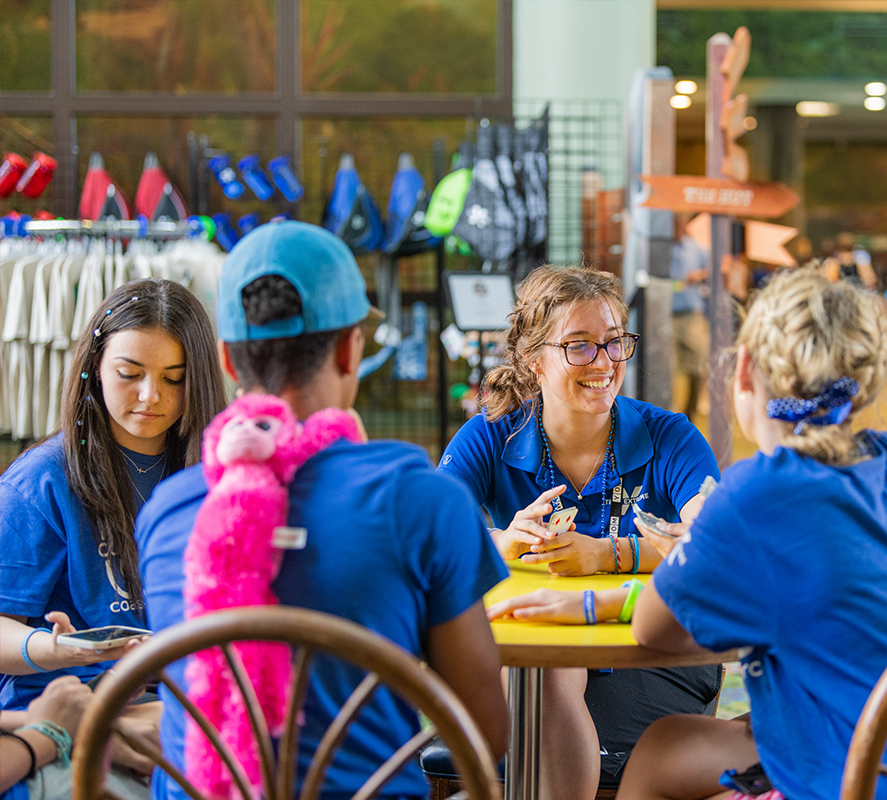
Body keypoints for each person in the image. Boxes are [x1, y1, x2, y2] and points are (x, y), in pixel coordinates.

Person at [490, 270, 887, 800]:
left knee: (660, 756)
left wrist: (615, 590)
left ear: (743, 371)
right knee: (672, 743)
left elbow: (655, 628)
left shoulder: (755, 491)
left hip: (865, 776)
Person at [136, 220, 508, 800]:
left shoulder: (166, 513)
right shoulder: (423, 502)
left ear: (229, 362)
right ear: (348, 348)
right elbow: (483, 735)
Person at [438, 265, 721, 799]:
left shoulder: (669, 436)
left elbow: (715, 544)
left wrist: (610, 554)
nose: (604, 363)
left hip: (647, 657)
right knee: (545, 678)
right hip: (528, 662)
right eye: (579, 346)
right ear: (533, 360)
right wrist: (502, 542)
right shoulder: (490, 434)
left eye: (615, 343)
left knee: (541, 706)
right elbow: (428, 536)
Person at [0, 278, 224, 707]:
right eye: (129, 374)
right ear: (94, 368)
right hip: (71, 702)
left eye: (174, 379)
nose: (150, 395)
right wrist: (53, 649)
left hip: (187, 703)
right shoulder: (41, 481)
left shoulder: (220, 473)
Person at [1, 676, 150, 800]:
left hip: (22, 745)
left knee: (154, 720)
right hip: (22, 783)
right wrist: (46, 733)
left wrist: (68, 719)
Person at [670, 215, 711, 422]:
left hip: (691, 314)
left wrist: (701, 275)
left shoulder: (695, 248)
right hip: (665, 316)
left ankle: (690, 414)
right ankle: (667, 415)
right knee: (666, 370)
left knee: (698, 364)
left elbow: (713, 271)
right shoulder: (659, 249)